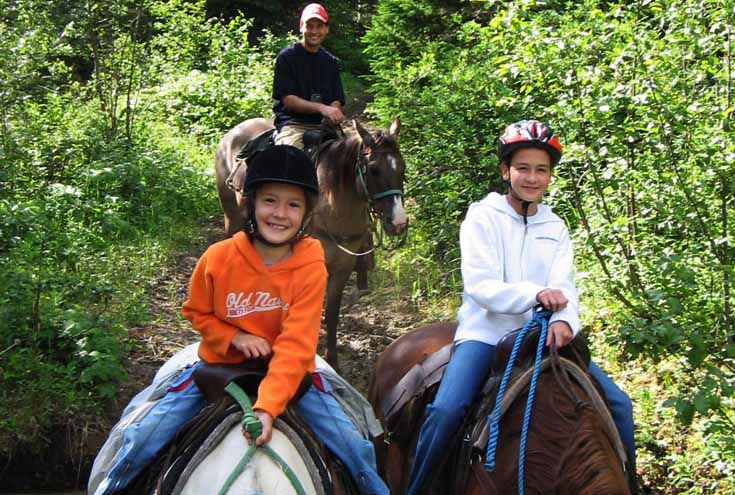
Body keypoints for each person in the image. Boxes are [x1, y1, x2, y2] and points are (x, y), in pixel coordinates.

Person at [91, 146, 388, 495]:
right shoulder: (218, 258)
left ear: (307, 213)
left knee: (356, 450)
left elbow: (296, 345)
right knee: (142, 439)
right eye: (270, 201)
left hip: (290, 375)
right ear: (251, 203)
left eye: (293, 204)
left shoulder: (310, 264)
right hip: (220, 369)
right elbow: (197, 311)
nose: (280, 214)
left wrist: (266, 409)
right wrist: (233, 336)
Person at [405, 120, 637, 494]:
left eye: (541, 170)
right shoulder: (482, 217)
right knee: (447, 410)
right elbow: (481, 286)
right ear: (505, 171)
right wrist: (535, 294)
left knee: (620, 405)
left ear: (549, 176)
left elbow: (565, 288)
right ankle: (418, 488)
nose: (532, 178)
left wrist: (564, 321)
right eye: (523, 168)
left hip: (543, 336)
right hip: (487, 333)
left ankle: (628, 484)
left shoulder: (556, 226)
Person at [272, 3, 346, 150]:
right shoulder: (287, 57)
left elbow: (336, 98)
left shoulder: (331, 62)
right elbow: (288, 100)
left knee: (352, 157)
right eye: (309, 26)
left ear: (326, 29)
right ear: (301, 27)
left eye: (319, 26)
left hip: (324, 126)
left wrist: (333, 112)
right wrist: (322, 108)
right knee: (291, 158)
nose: (314, 31)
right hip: (294, 125)